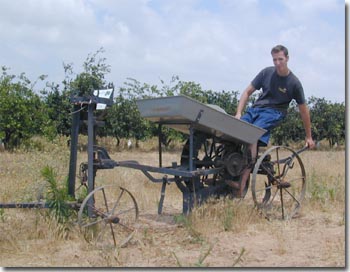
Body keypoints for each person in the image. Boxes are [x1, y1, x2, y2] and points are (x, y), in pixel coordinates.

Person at [231, 45, 315, 197]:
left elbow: (303, 110)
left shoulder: (294, 83)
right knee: (234, 129)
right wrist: (238, 113)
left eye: (280, 59)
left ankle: (241, 184)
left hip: (274, 112)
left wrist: (308, 136)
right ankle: (229, 169)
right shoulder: (266, 73)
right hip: (256, 109)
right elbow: (247, 92)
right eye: (274, 59)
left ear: (287, 59)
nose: (277, 63)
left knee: (252, 134)